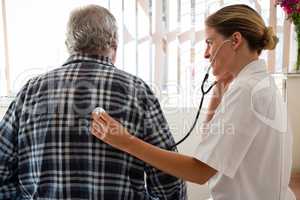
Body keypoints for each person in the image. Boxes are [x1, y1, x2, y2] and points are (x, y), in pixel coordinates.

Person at [91, 4, 296, 200]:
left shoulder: (245, 90)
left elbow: (199, 172)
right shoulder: (261, 83)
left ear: (235, 40)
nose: (206, 54)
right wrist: (219, 89)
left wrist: (126, 141)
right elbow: (211, 147)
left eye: (210, 42)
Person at [0, 5, 187, 200]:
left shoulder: (30, 91)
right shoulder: (138, 91)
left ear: (68, 44)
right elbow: (170, 181)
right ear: (114, 43)